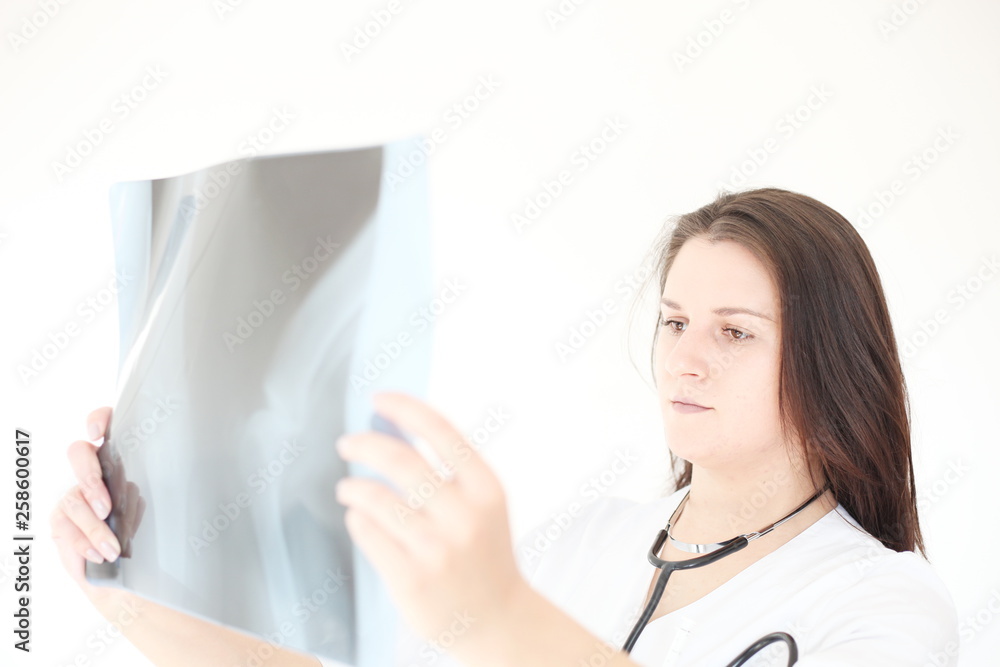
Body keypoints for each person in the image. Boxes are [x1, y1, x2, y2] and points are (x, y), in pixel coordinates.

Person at [51, 187, 960, 666]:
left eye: (735, 332)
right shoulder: (586, 539)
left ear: (832, 358)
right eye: (675, 321)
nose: (684, 359)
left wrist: (498, 616)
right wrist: (128, 586)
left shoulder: (886, 603)